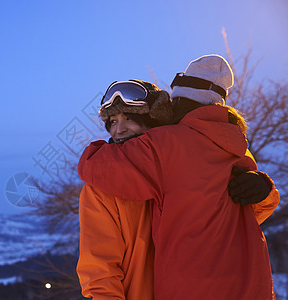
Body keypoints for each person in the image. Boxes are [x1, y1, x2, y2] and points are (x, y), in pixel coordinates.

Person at [77, 55, 280, 299]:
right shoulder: (102, 189)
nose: (118, 130)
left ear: (157, 124)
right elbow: (99, 272)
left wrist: (264, 192)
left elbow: (232, 218)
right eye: (111, 122)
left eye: (130, 119)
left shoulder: (175, 153)